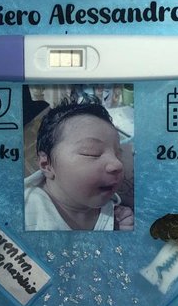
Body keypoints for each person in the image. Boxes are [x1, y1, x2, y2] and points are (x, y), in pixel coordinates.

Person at [24, 99, 134, 231]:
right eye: (92, 152)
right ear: (46, 164)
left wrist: (120, 226)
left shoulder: (113, 210)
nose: (118, 164)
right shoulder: (25, 211)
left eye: (118, 155)